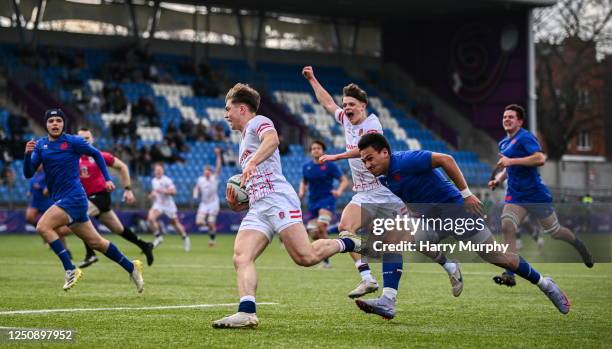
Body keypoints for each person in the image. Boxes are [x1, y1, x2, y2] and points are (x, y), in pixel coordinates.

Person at [354, 133, 571, 319]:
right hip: (431, 219)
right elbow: (409, 194)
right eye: (364, 161)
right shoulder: (384, 178)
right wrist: (412, 212)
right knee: (392, 238)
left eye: (370, 158)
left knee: (497, 257)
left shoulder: (406, 160)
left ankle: (545, 283)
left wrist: (466, 195)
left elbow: (446, 159)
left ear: (385, 152)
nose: (367, 164)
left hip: (456, 210)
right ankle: (388, 301)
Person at [302, 66, 462, 298]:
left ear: (363, 106)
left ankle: (449, 266)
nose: (346, 109)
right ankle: (367, 279)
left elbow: (363, 151)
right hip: (364, 193)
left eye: (351, 105)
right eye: (345, 105)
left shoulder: (372, 125)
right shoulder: (346, 120)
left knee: (412, 241)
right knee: (346, 227)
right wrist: (313, 80)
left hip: (386, 190)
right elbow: (328, 104)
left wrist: (337, 156)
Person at [212, 83, 362, 329]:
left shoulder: (258, 121)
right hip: (259, 207)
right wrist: (237, 203)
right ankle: (247, 311)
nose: (226, 115)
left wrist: (251, 164)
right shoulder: (242, 141)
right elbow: (254, 182)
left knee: (305, 257)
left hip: (278, 199)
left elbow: (272, 140)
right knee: (241, 257)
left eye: (228, 109)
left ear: (242, 108)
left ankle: (347, 242)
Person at [22, 109, 144, 292]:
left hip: (74, 197)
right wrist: (26, 155)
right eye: (51, 121)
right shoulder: (40, 146)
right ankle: (131, 267)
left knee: (43, 226)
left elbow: (96, 154)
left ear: (63, 123)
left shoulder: (73, 141)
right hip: (65, 199)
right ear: (46, 124)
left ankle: (70, 269)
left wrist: (107, 178)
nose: (55, 123)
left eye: (58, 120)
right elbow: (28, 173)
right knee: (97, 243)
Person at [488, 104, 593, 287]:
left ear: (520, 121)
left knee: (556, 232)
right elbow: (509, 167)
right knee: (507, 225)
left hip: (535, 195)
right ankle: (510, 273)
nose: (506, 119)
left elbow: (540, 158)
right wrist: (498, 179)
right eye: (504, 117)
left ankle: (579, 245)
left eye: (511, 117)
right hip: (516, 196)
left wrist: (510, 160)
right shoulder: (503, 143)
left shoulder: (525, 138)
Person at [75, 128, 154, 268]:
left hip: (100, 196)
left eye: (87, 138)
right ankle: (145, 245)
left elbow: (123, 167)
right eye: (82, 138)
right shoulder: (73, 157)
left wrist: (128, 189)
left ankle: (90, 254)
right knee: (118, 229)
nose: (85, 141)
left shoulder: (100, 155)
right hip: (88, 198)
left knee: (79, 216)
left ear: (93, 140)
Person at [299, 140, 349, 268]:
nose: (316, 150)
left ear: (323, 150)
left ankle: (333, 250)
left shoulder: (330, 165)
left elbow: (344, 181)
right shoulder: (307, 167)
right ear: (310, 152)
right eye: (313, 148)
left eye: (318, 148)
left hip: (327, 199)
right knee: (314, 233)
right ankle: (329, 253)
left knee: (321, 226)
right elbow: (304, 182)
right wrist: (301, 192)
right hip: (313, 201)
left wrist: (339, 191)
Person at [26, 165, 72, 252]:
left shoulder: (46, 174)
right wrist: (30, 191)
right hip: (36, 201)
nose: (37, 166)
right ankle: (45, 234)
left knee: (57, 228)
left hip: (46, 202)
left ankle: (64, 249)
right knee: (29, 217)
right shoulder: (35, 174)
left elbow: (48, 189)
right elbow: (33, 184)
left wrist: (45, 190)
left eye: (39, 164)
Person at [148, 163, 190, 252]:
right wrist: (152, 194)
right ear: (154, 171)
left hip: (168, 205)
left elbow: (174, 192)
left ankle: (185, 238)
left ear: (163, 171)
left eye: (160, 170)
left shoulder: (167, 180)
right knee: (150, 218)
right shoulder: (153, 180)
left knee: (175, 224)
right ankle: (158, 237)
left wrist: (163, 191)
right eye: (156, 170)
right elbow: (155, 191)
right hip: (158, 204)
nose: (158, 171)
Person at [193, 148, 222, 246]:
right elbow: (196, 188)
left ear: (210, 172)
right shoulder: (200, 180)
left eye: (208, 171)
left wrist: (218, 155)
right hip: (204, 203)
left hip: (213, 203)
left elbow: (218, 167)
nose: (206, 172)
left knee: (211, 222)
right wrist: (195, 193)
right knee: (198, 222)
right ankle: (210, 227)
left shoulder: (214, 178)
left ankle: (212, 240)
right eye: (205, 171)